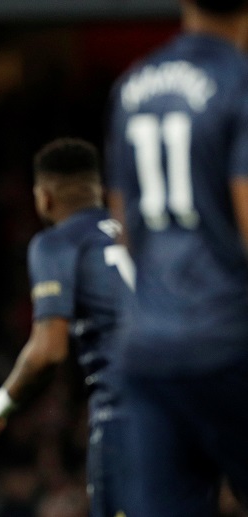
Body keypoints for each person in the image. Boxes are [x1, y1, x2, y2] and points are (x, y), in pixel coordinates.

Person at [104, 0, 248, 514]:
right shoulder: (239, 81)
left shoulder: (132, 87)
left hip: (150, 350)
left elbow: (125, 233)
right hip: (231, 343)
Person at [0, 137, 135, 516]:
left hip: (127, 411)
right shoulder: (137, 232)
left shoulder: (56, 243)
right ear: (99, 189)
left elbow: (49, 348)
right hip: (188, 400)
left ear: (44, 197)